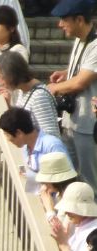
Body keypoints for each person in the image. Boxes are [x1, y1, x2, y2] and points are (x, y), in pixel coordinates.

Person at [47, 0, 97, 189]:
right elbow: (81, 70)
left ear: (79, 19)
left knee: (89, 182)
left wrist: (52, 88)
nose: (60, 25)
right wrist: (65, 72)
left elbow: (80, 82)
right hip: (71, 121)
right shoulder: (79, 40)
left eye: (64, 20)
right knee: (70, 177)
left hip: (87, 125)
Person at [0, 106, 69, 196]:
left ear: (19, 133)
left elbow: (66, 179)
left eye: (7, 134)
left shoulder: (52, 145)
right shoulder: (25, 147)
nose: (7, 139)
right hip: (41, 200)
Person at [0, 52, 60, 145]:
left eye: (1, 77)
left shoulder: (39, 96)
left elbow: (51, 136)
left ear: (12, 75)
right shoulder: (22, 92)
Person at [51, 182, 97, 251]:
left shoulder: (93, 233)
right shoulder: (79, 226)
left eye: (70, 209)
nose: (66, 212)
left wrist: (63, 244)